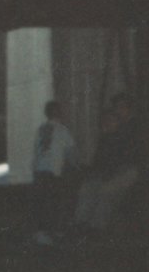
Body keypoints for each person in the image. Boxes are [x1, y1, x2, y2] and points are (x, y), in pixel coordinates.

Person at [74, 93, 139, 232]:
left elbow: (126, 156)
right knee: (87, 187)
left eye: (122, 107)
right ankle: (80, 223)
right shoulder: (111, 132)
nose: (118, 111)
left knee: (107, 190)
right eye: (116, 107)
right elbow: (100, 159)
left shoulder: (135, 127)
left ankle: (96, 226)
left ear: (129, 108)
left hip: (129, 169)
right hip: (110, 170)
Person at [30, 101, 78, 245]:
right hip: (53, 171)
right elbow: (71, 152)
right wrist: (76, 165)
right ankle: (51, 231)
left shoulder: (41, 129)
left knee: (41, 201)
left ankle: (40, 231)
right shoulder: (63, 130)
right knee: (54, 201)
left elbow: (36, 151)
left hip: (39, 170)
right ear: (59, 113)